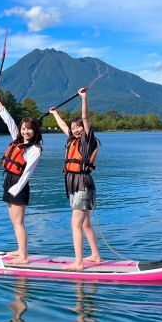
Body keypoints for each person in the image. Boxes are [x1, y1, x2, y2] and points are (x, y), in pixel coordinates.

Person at [49, 87, 101, 270]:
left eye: (78, 126)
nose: (75, 129)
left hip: (82, 184)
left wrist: (84, 98)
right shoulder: (72, 140)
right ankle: (95, 256)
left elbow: (85, 118)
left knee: (75, 225)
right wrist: (55, 114)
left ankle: (79, 262)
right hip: (73, 185)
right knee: (85, 223)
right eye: (73, 127)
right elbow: (64, 126)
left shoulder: (88, 141)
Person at [0, 92, 43, 266]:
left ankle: (24, 256)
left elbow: (28, 172)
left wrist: (16, 188)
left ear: (35, 131)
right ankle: (20, 250)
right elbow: (8, 120)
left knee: (19, 222)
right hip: (9, 180)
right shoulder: (17, 139)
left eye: (29, 129)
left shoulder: (35, 149)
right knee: (14, 221)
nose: (25, 131)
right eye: (23, 128)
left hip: (19, 184)